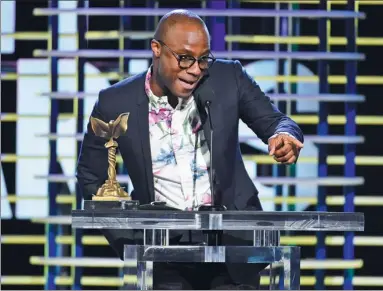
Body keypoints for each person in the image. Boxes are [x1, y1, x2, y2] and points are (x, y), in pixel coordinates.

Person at [76, 9, 304, 290]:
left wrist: (284, 135)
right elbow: (91, 175)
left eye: (203, 59)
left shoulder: (228, 78)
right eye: (184, 58)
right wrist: (128, 241)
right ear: (156, 49)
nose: (195, 69)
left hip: (232, 248)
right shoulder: (115, 101)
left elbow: (276, 121)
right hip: (161, 253)